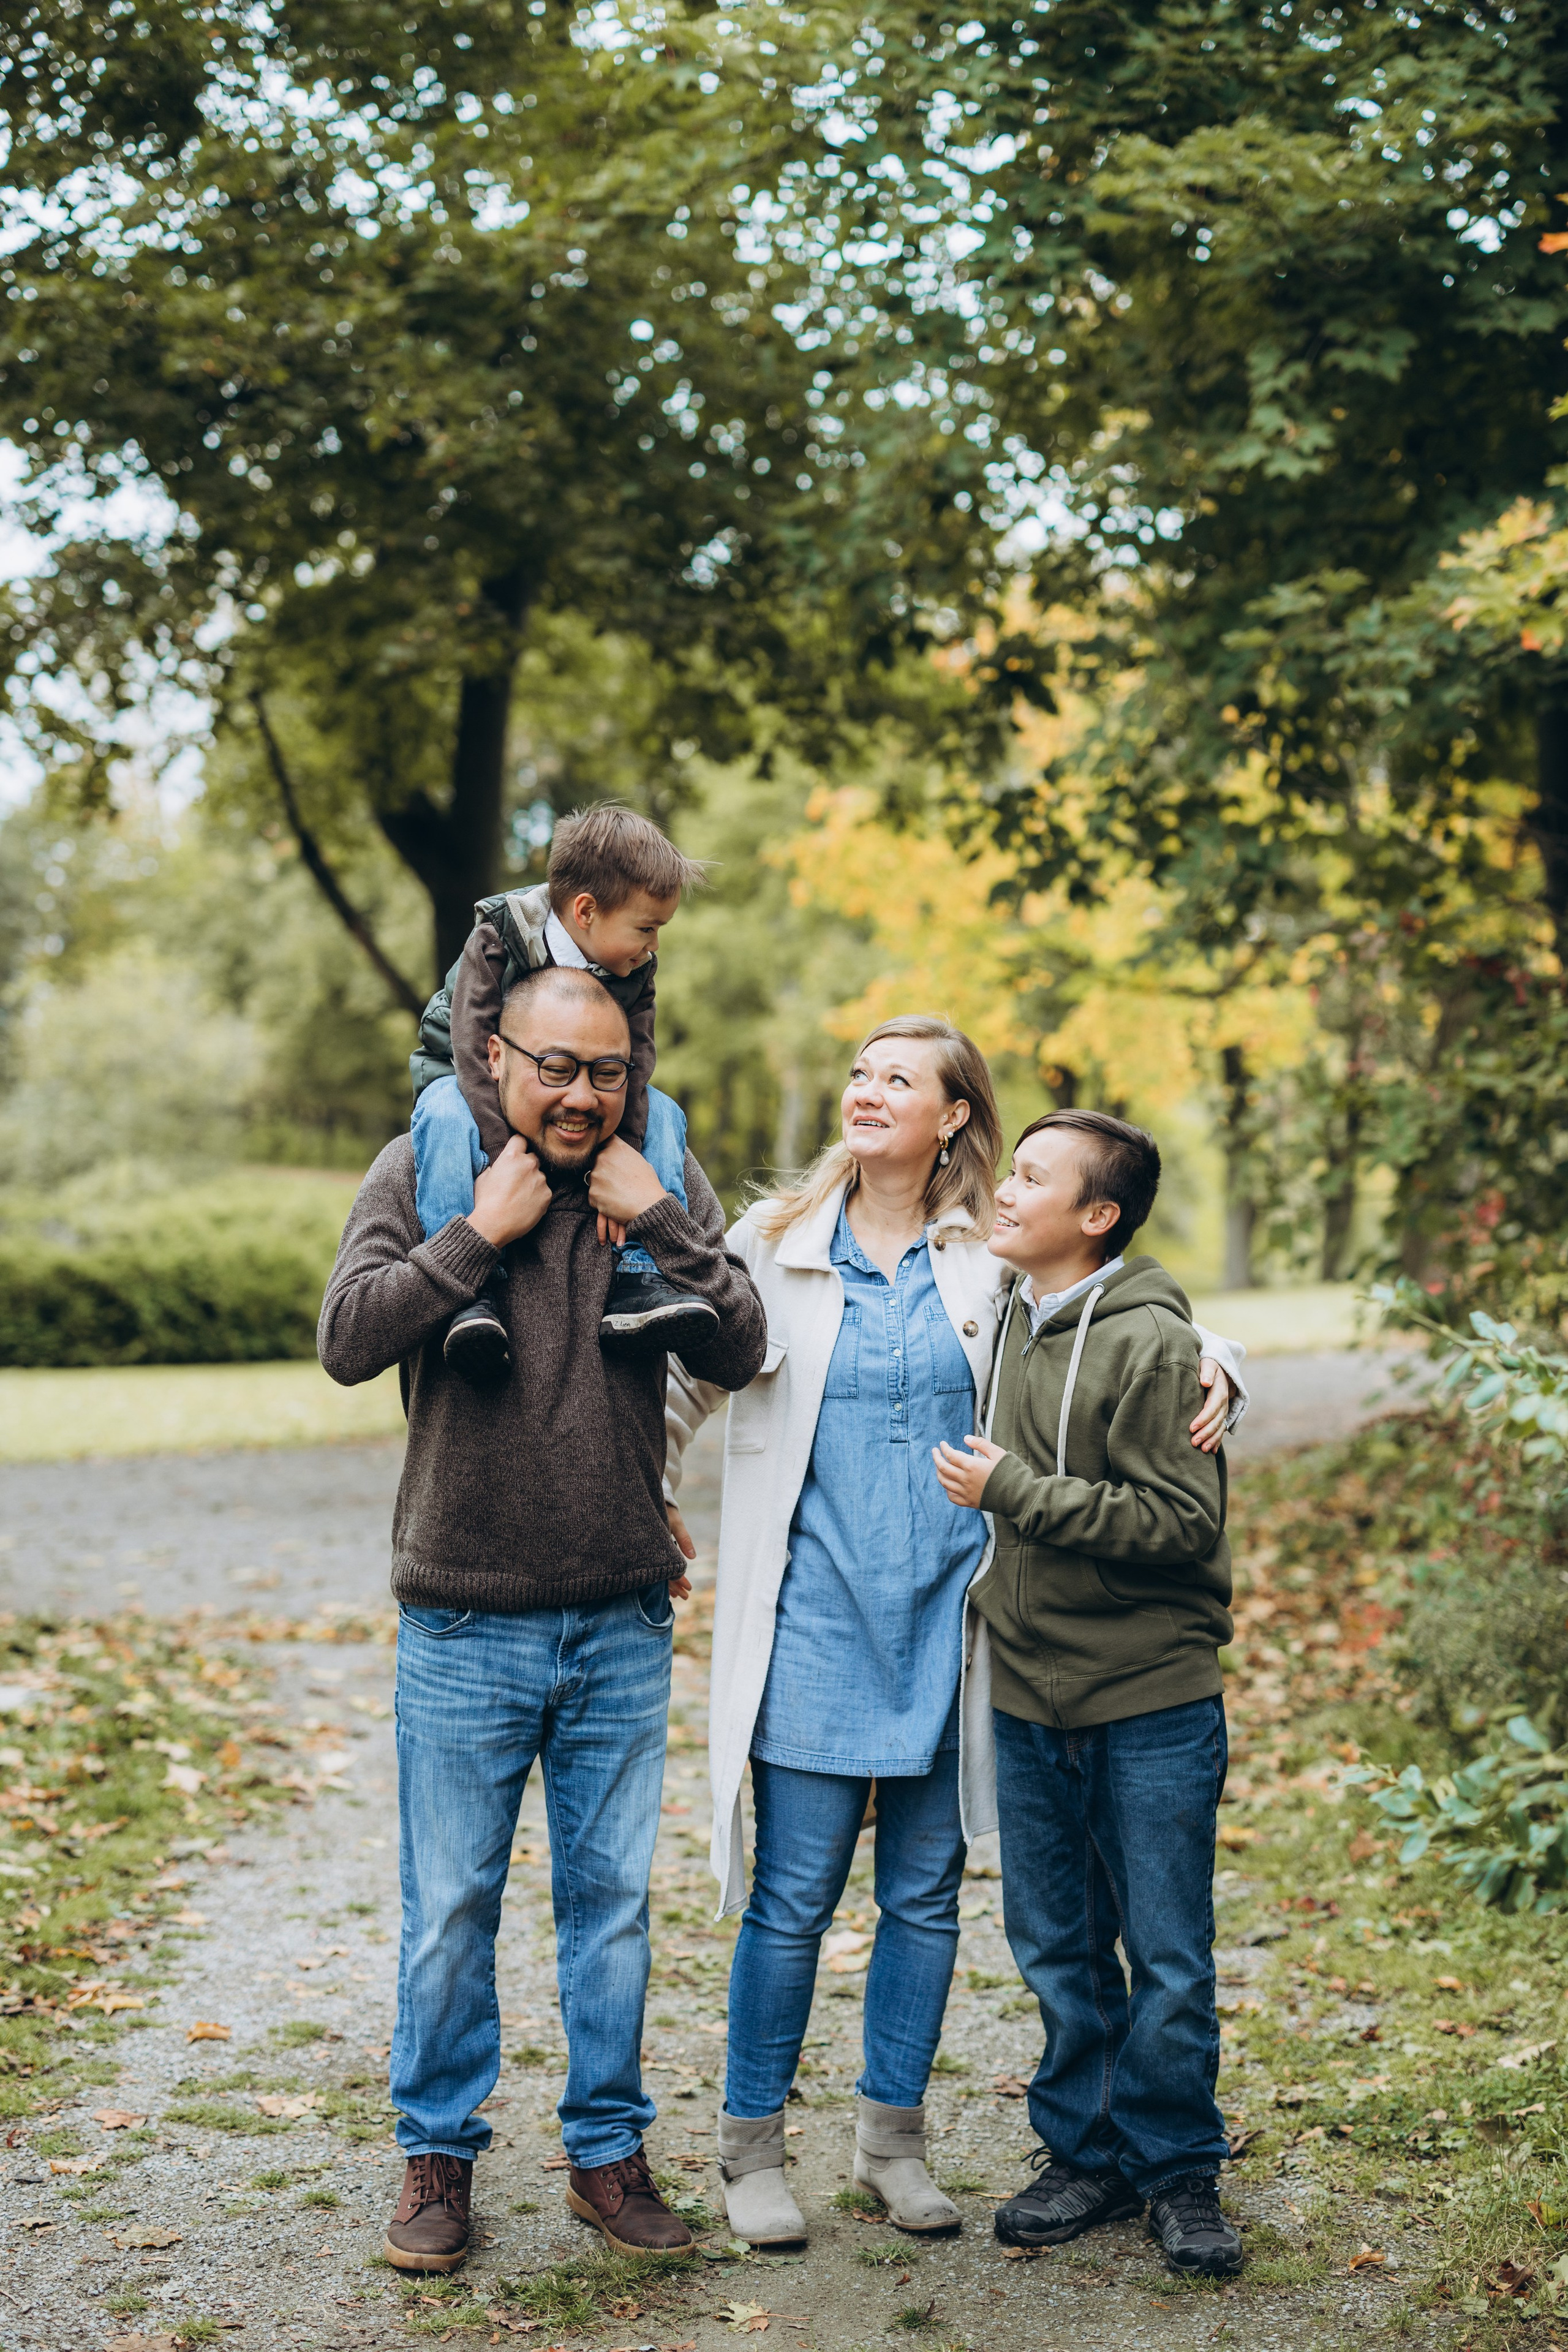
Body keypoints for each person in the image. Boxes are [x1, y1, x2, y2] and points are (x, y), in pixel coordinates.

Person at [664, 1019, 1245, 2248]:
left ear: (951, 1119)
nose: (866, 1092)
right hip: (814, 1616)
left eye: (898, 1080)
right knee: (792, 1899)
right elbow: (679, 1381)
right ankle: (749, 2152)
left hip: (953, 1624)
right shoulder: (769, 1249)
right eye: (859, 1073)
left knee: (924, 1899)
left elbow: (1113, 1312)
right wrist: (648, 1500)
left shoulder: (981, 1259)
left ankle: (890, 2145)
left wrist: (1221, 1364)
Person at [318, 962, 766, 2275]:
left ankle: (605, 2156)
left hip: (620, 1615)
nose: (583, 1096)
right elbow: (347, 1337)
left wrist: (667, 1225)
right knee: (450, 1908)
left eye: (608, 1071)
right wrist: (477, 1236)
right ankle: (439, 2164)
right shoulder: (426, 1167)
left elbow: (739, 1346)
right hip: (462, 1620)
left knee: (610, 1910)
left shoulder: (656, 1176)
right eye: (557, 1068)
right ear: (496, 1058)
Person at [933, 1109, 1244, 2280]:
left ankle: (1179, 2171)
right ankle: (1088, 2151)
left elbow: (1182, 1522)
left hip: (1149, 1695)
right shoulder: (1010, 1307)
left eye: (1029, 1177)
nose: (1003, 1190)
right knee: (1058, 1943)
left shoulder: (1154, 1345)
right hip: (1029, 1692)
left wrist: (1020, 1491)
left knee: (1167, 1951)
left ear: (1097, 1216)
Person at [409, 803, 718, 1382]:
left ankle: (642, 1275)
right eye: (647, 928)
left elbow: (639, 1059)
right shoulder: (500, 936)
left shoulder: (634, 970)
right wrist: (504, 1155)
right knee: (444, 1114)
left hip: (546, 1100)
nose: (653, 947)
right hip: (463, 1073)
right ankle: (468, 1293)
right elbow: (475, 1049)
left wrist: (623, 1154)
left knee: (668, 1114)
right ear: (585, 911)